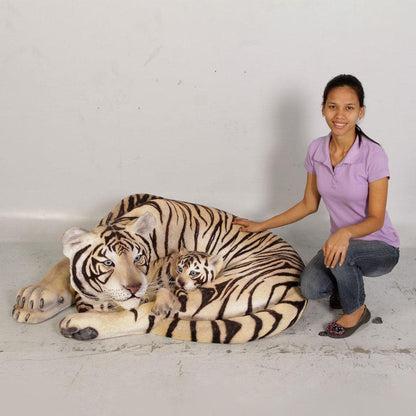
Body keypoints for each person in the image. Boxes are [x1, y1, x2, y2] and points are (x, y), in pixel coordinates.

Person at [233, 74, 400, 339]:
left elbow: (377, 219)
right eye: (333, 106)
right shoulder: (316, 150)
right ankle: (343, 282)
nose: (340, 115)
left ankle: (357, 310)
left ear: (361, 112)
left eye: (349, 108)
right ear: (323, 108)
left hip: (379, 246)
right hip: (339, 244)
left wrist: (344, 233)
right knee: (310, 287)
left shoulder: (373, 154)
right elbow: (309, 204)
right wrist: (261, 224)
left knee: (344, 255)